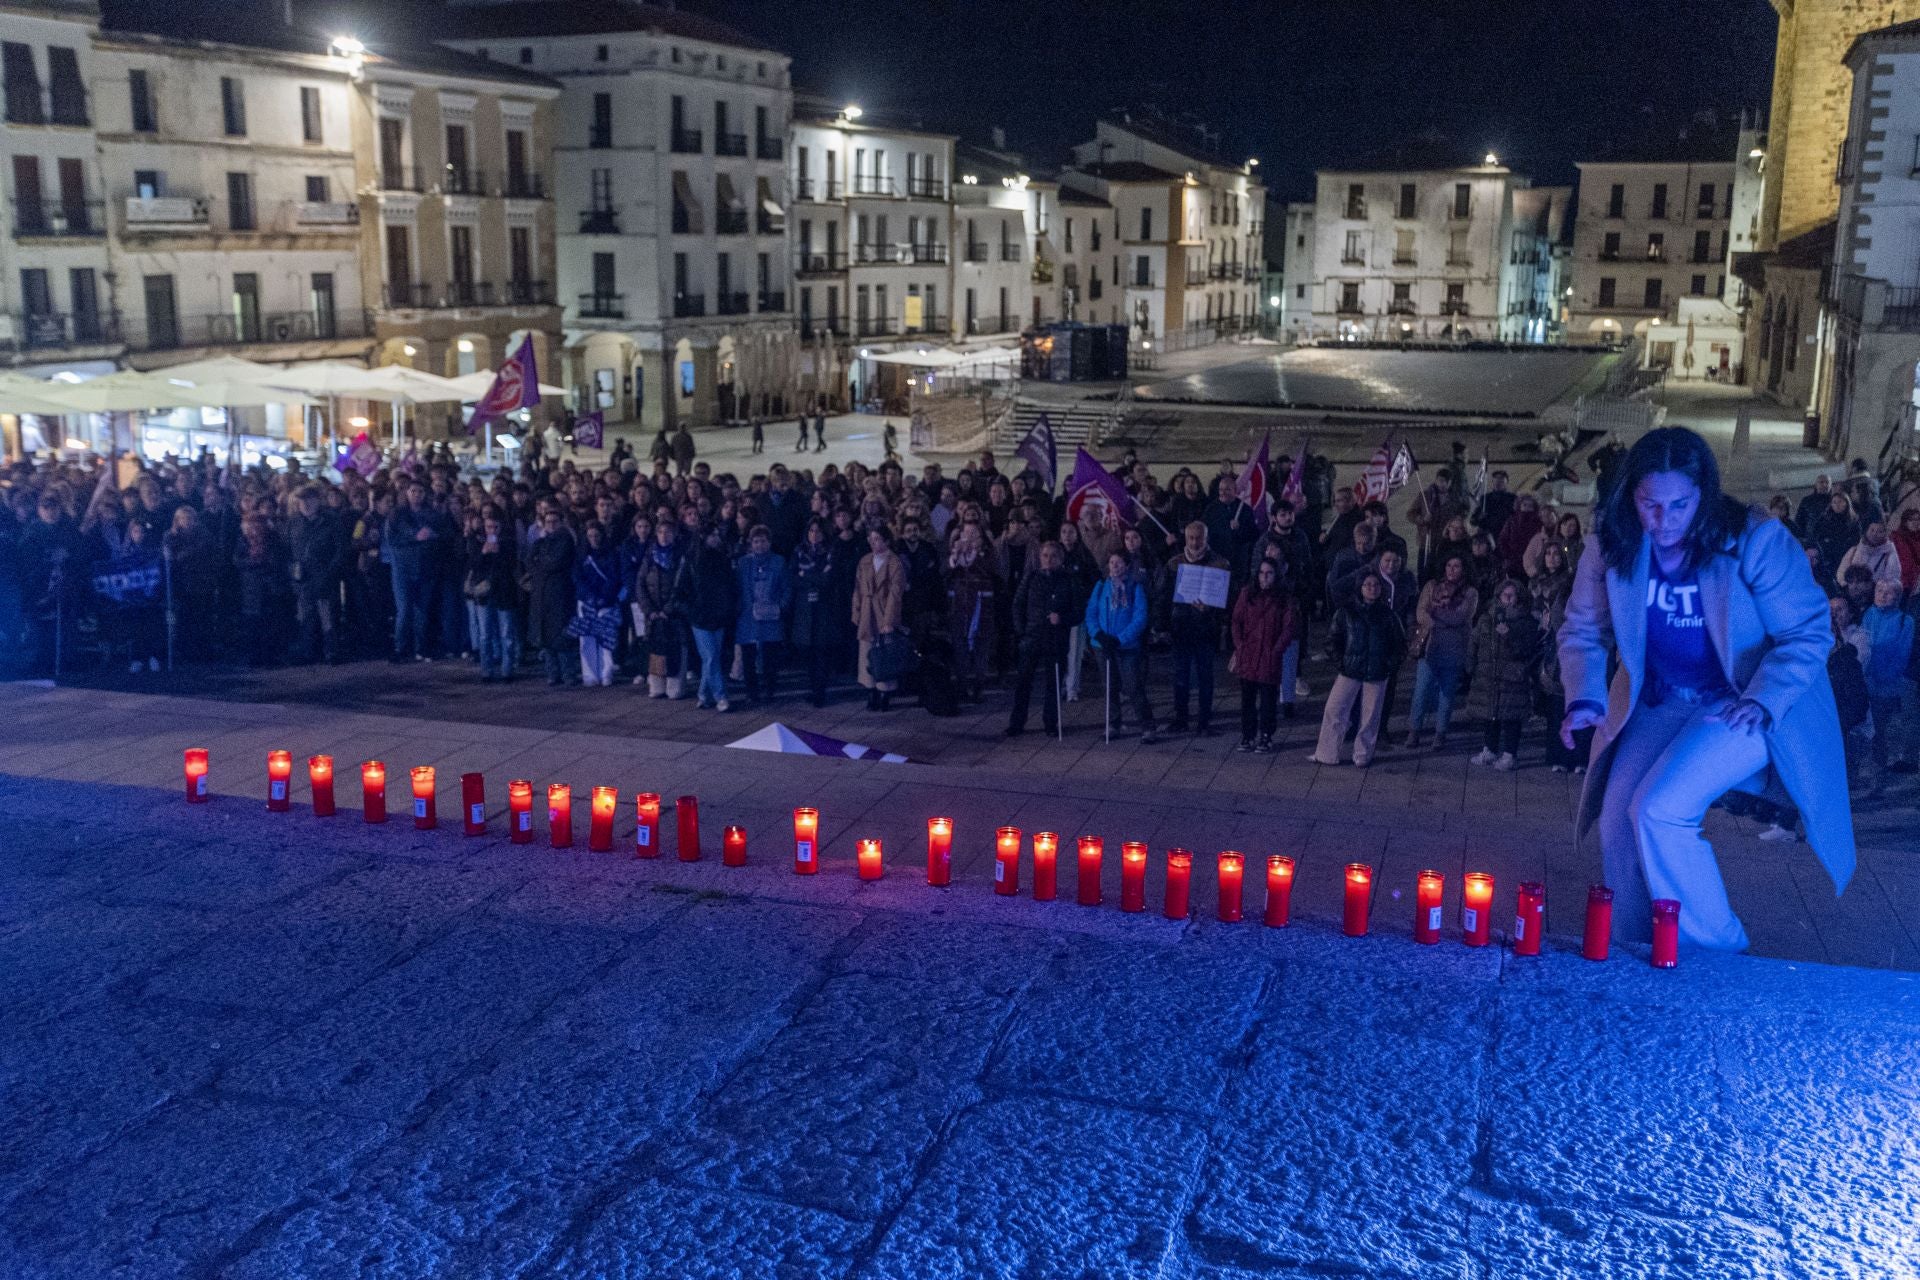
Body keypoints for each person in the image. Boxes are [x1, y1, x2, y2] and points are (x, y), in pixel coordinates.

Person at [1559, 426, 1854, 951]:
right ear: (1632, 495)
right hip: (1663, 698)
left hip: (1745, 701)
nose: (1664, 521)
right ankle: (1633, 946)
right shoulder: (1611, 543)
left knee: (1660, 808)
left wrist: (1764, 698)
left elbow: (1808, 631)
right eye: (1651, 504)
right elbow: (1582, 629)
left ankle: (1716, 951)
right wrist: (1585, 696)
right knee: (1617, 824)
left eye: (1680, 505)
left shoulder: (1755, 540)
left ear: (1704, 496)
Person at [1308, 571, 1404, 767]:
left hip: (1377, 671)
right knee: (1334, 708)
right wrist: (1341, 662)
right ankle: (1326, 753)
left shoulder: (1388, 615)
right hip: (1350, 669)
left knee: (1370, 715)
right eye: (1367, 585)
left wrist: (1389, 665)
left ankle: (1362, 755)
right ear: (1360, 588)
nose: (1372, 588)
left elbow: (1400, 644)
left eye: (1375, 585)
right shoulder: (1346, 612)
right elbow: (1333, 639)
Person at [1157, 521, 1229, 735]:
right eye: (1191, 538)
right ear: (1185, 539)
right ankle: (1181, 718)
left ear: (1206, 538)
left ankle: (1204, 722)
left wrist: (1211, 610)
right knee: (1181, 676)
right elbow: (1163, 597)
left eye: (1199, 538)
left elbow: (1227, 600)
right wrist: (1162, 626)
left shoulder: (1220, 564)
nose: (1195, 542)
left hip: (1206, 630)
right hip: (1181, 628)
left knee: (1206, 676)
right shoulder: (1173, 564)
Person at [1403, 553, 1478, 748]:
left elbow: (1460, 617)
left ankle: (1440, 732)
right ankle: (1414, 730)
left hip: (1454, 649)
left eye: (1457, 566)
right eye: (1449, 565)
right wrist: (1437, 620)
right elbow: (1421, 612)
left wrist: (1434, 616)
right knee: (1421, 691)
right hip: (1430, 646)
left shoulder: (1470, 592)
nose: (1452, 570)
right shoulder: (1431, 586)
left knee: (1447, 693)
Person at [1467, 578, 1542, 770]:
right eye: (1504, 595)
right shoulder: (1487, 618)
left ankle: (1509, 754)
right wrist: (1471, 665)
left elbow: (1526, 649)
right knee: (1490, 715)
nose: (1508, 599)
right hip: (1489, 675)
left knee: (1510, 717)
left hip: (1513, 677)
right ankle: (1489, 749)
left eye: (1512, 595)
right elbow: (1474, 641)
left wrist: (1508, 636)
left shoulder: (1526, 621)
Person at [1006, 540, 1075, 737]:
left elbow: (1078, 610)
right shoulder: (1031, 577)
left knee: (1053, 683)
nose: (1048, 560)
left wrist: (1062, 619)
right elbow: (1018, 604)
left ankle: (1050, 723)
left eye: (1053, 556)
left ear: (1060, 559)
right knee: (1023, 682)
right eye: (1045, 555)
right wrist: (1021, 630)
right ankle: (1017, 723)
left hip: (1055, 638)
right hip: (1032, 636)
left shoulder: (1068, 579)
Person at [1086, 549, 1155, 742]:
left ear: (1126, 565)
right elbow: (1091, 612)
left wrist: (1120, 638)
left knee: (1133, 686)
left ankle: (1147, 725)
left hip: (1126, 647)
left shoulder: (1135, 587)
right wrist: (1098, 634)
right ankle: (1113, 723)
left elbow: (1140, 617)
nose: (1115, 566)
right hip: (1103, 645)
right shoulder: (1101, 587)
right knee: (1110, 686)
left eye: (1119, 563)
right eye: (1112, 563)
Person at [1230, 558, 1296, 753]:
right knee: (1247, 698)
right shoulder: (1247, 594)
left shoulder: (1284, 598)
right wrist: (1240, 646)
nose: (1264, 577)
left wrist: (1276, 650)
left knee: (1268, 698)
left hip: (1268, 654)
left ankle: (1266, 735)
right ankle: (1247, 735)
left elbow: (1289, 626)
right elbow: (1236, 621)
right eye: (1261, 573)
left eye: (1269, 573)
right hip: (1249, 653)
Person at [1860, 578, 1915, 780]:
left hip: (1888, 686)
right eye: (1879, 590)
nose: (1882, 595)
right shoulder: (1869, 614)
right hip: (1868, 683)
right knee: (1870, 730)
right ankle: (1873, 770)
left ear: (1898, 597)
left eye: (1888, 592)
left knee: (1882, 729)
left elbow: (1902, 653)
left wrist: (1884, 677)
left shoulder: (1905, 621)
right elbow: (1864, 645)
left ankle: (1880, 774)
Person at [288, 485, 347, 664]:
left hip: (325, 575)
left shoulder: (331, 520)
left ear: (317, 501)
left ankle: (331, 652)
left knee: (327, 616)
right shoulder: (294, 522)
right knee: (306, 615)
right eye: (302, 500)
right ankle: (309, 652)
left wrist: (330, 571)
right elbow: (287, 549)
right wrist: (292, 569)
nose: (305, 504)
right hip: (303, 577)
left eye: (309, 500)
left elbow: (340, 549)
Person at [734, 524, 790, 704]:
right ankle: (752, 692)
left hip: (771, 615)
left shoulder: (778, 562)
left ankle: (770, 689)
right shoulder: (743, 563)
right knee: (748, 656)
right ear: (751, 543)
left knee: (770, 656)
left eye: (763, 541)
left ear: (769, 543)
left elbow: (786, 587)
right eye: (756, 541)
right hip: (748, 616)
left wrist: (781, 606)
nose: (759, 545)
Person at [682, 525, 736, 711]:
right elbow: (682, 588)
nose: (716, 537)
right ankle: (721, 696)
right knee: (712, 656)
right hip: (700, 617)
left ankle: (704, 695)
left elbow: (729, 586)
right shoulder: (691, 561)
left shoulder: (722, 559)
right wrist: (692, 610)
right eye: (712, 534)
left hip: (718, 615)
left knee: (710, 658)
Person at [945, 523, 999, 703]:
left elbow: (991, 572)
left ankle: (979, 685)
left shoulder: (988, 554)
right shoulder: (954, 553)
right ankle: (962, 684)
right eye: (965, 533)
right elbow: (945, 574)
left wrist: (975, 554)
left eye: (973, 533)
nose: (968, 536)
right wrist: (955, 555)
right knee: (959, 646)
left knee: (981, 647)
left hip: (982, 606)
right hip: (959, 607)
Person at [524, 507, 578, 686]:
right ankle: (552, 673)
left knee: (561, 636)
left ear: (561, 522)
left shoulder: (565, 539)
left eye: (555, 522)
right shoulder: (541, 542)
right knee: (545, 636)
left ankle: (568, 674)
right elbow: (530, 561)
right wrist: (540, 557)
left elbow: (556, 562)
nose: (551, 525)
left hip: (560, 594)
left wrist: (541, 562)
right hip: (541, 594)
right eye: (548, 522)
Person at [852, 523, 904, 710]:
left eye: (877, 539)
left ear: (886, 541)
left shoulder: (894, 562)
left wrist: (889, 619)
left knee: (885, 652)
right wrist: (856, 611)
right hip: (867, 610)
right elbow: (858, 588)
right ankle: (870, 689)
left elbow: (895, 593)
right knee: (867, 650)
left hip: (883, 609)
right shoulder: (865, 561)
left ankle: (885, 692)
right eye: (871, 539)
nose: (874, 543)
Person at [465, 510, 520, 681]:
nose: (492, 530)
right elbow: (472, 565)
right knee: (485, 635)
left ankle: (507, 670)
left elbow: (511, 565)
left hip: (504, 592)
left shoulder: (509, 543)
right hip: (485, 593)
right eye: (489, 527)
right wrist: (483, 553)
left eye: (495, 527)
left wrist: (498, 553)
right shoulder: (477, 542)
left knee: (506, 634)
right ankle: (486, 670)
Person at [569, 520, 623, 687]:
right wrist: (589, 596)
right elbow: (577, 578)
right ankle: (590, 675)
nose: (594, 539)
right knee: (587, 639)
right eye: (590, 535)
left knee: (605, 638)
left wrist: (604, 596)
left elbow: (614, 576)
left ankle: (606, 673)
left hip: (606, 601)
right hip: (586, 601)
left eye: (596, 535)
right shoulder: (580, 555)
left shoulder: (611, 554)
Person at [1836, 520, 1903, 589]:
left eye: (1880, 531)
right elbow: (1841, 572)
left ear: (1885, 534)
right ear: (1866, 531)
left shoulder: (1889, 555)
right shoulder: (1854, 550)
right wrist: (1848, 586)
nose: (1875, 534)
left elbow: (1892, 579)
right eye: (1872, 530)